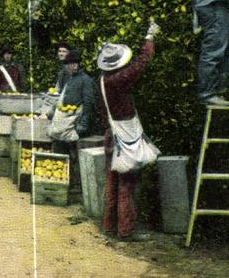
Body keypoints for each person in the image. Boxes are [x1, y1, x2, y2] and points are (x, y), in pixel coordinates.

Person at [96, 22, 160, 241]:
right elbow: (142, 63)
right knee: (127, 183)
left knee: (112, 181)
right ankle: (125, 231)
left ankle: (108, 226)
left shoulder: (103, 81)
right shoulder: (118, 80)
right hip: (124, 139)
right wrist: (149, 37)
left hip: (110, 136)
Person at [48, 49, 96, 189]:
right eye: (70, 64)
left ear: (79, 65)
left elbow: (88, 104)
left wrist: (82, 126)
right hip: (66, 123)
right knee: (62, 152)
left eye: (75, 64)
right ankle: (64, 182)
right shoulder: (70, 79)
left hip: (76, 124)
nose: (73, 66)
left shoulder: (85, 80)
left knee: (74, 155)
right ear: (66, 66)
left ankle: (76, 186)